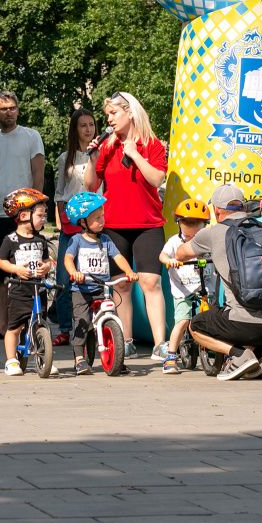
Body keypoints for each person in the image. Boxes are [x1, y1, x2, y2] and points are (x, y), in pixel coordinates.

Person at [175, 184, 262, 381]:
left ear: (217, 210)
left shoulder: (213, 233)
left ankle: (239, 357)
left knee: (196, 326)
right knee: (241, 318)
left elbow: (181, 253)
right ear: (244, 208)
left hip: (244, 324)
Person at [84, 91, 168, 360]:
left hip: (148, 223)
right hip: (115, 224)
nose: (108, 119)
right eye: (107, 114)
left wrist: (134, 153)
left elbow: (156, 179)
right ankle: (127, 341)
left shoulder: (153, 145)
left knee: (151, 282)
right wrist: (92, 156)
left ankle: (160, 344)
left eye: (113, 113)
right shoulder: (107, 146)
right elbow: (90, 186)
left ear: (130, 112)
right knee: (120, 284)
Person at [0, 91, 45, 341]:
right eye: (4, 108)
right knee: (0, 272)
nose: (9, 112)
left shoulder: (31, 136)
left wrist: (35, 208)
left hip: (24, 211)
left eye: (13, 108)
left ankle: (31, 322)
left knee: (30, 268)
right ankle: (3, 324)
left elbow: (38, 173)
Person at [63, 191, 138, 376]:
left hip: (102, 288)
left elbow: (118, 256)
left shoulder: (105, 240)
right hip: (82, 289)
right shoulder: (77, 240)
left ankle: (116, 357)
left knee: (110, 316)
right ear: (82, 222)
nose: (102, 220)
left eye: (102, 216)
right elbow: (68, 258)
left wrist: (128, 271)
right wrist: (74, 272)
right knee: (82, 322)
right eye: (97, 218)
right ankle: (79, 359)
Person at [0, 188, 53, 376]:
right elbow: (0, 261)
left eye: (45, 215)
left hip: (38, 289)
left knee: (39, 323)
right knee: (15, 326)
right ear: (23, 215)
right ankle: (11, 360)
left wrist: (46, 267)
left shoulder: (41, 240)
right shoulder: (10, 239)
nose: (44, 219)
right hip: (20, 290)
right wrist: (16, 269)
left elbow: (46, 260)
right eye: (40, 215)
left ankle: (44, 358)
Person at [53, 109, 97, 346]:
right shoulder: (65, 158)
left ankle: (92, 325)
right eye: (83, 125)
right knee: (64, 275)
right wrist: (61, 218)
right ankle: (64, 327)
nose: (88, 129)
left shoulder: (101, 154)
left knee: (93, 273)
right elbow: (60, 192)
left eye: (91, 124)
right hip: (70, 223)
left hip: (95, 220)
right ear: (75, 129)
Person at [158, 198, 211, 374]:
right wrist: (170, 261)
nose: (191, 236)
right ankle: (171, 357)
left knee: (213, 318)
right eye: (187, 231)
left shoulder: (208, 240)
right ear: (179, 224)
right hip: (183, 290)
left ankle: (221, 354)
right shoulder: (174, 241)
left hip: (205, 288)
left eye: (196, 228)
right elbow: (162, 256)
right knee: (182, 321)